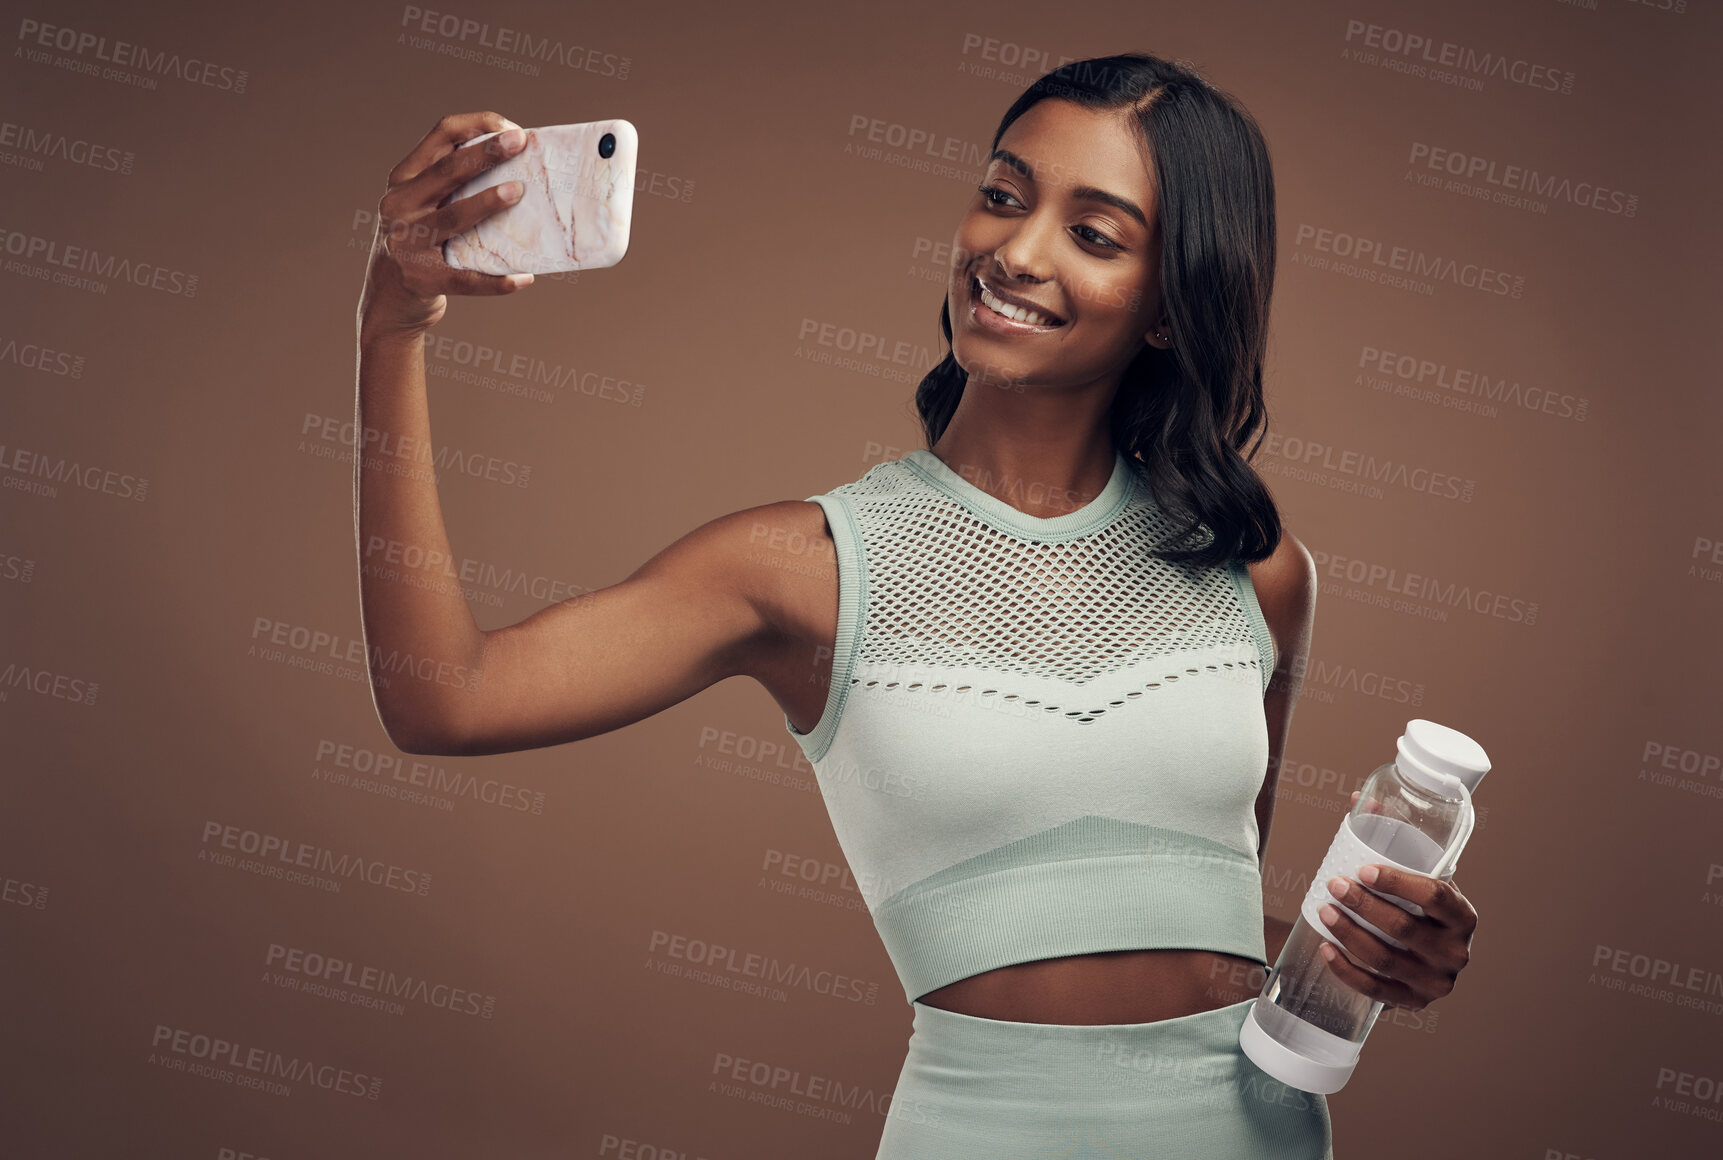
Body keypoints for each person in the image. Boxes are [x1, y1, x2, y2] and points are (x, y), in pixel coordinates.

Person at [354, 51, 1478, 1160]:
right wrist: (392, 330)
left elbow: (1211, 926)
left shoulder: (1252, 567)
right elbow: (444, 700)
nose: (1014, 251)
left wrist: (1369, 954)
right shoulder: (805, 565)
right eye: (1002, 196)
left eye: (1092, 234)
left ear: (1171, 307)